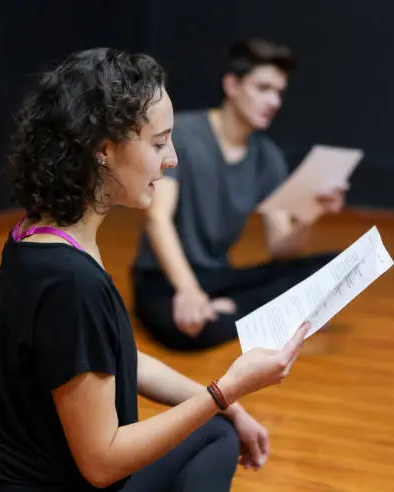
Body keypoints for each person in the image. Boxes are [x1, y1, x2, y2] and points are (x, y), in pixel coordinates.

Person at [0, 47, 312, 492]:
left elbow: (115, 358)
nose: (172, 158)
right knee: (212, 428)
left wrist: (231, 406)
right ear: (104, 150)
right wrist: (227, 391)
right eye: (157, 143)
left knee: (217, 431)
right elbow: (102, 463)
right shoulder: (72, 281)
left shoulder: (35, 234)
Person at [131, 38, 346, 351]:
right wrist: (189, 291)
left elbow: (281, 249)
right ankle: (250, 313)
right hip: (164, 279)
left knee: (335, 268)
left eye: (279, 92)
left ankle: (229, 309)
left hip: (218, 278)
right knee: (189, 332)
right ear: (232, 85)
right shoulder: (184, 134)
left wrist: (309, 216)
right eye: (263, 88)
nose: (274, 101)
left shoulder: (267, 157)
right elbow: (157, 219)